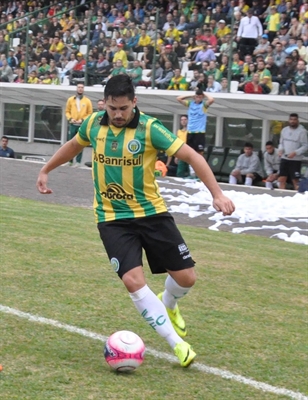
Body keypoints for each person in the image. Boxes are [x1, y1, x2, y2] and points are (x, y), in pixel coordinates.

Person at [36, 74, 235, 368]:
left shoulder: (150, 128)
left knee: (186, 278)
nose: (117, 115)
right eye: (113, 108)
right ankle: (177, 345)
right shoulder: (93, 123)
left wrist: (217, 194)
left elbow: (192, 156)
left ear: (134, 103)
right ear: (104, 103)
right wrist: (46, 169)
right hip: (112, 219)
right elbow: (74, 145)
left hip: (152, 214)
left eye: (124, 109)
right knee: (133, 280)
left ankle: (169, 303)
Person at [177, 89, 214, 177]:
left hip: (199, 132)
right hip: (190, 132)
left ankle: (200, 173)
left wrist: (204, 94)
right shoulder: (190, 104)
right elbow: (179, 98)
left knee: (199, 153)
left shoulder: (203, 106)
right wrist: (191, 95)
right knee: (190, 153)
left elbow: (212, 100)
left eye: (200, 97)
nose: (198, 98)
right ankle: (192, 172)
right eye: (197, 97)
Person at [65, 83, 93, 167]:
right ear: (76, 89)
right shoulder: (71, 100)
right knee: (70, 143)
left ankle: (78, 161)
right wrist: (70, 118)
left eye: (82, 87)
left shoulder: (87, 101)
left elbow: (90, 113)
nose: (80, 89)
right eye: (79, 87)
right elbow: (67, 111)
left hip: (81, 125)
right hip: (73, 124)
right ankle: (69, 161)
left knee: (80, 143)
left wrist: (83, 119)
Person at [278, 113, 308, 190]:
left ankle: (297, 196)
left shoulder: (302, 132)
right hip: (285, 158)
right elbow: (281, 143)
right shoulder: (284, 130)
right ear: (289, 120)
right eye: (291, 119)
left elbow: (305, 146)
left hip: (295, 160)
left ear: (297, 121)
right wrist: (280, 150)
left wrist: (295, 152)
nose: (293, 121)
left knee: (295, 180)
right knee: (282, 179)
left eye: (294, 120)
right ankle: (281, 194)